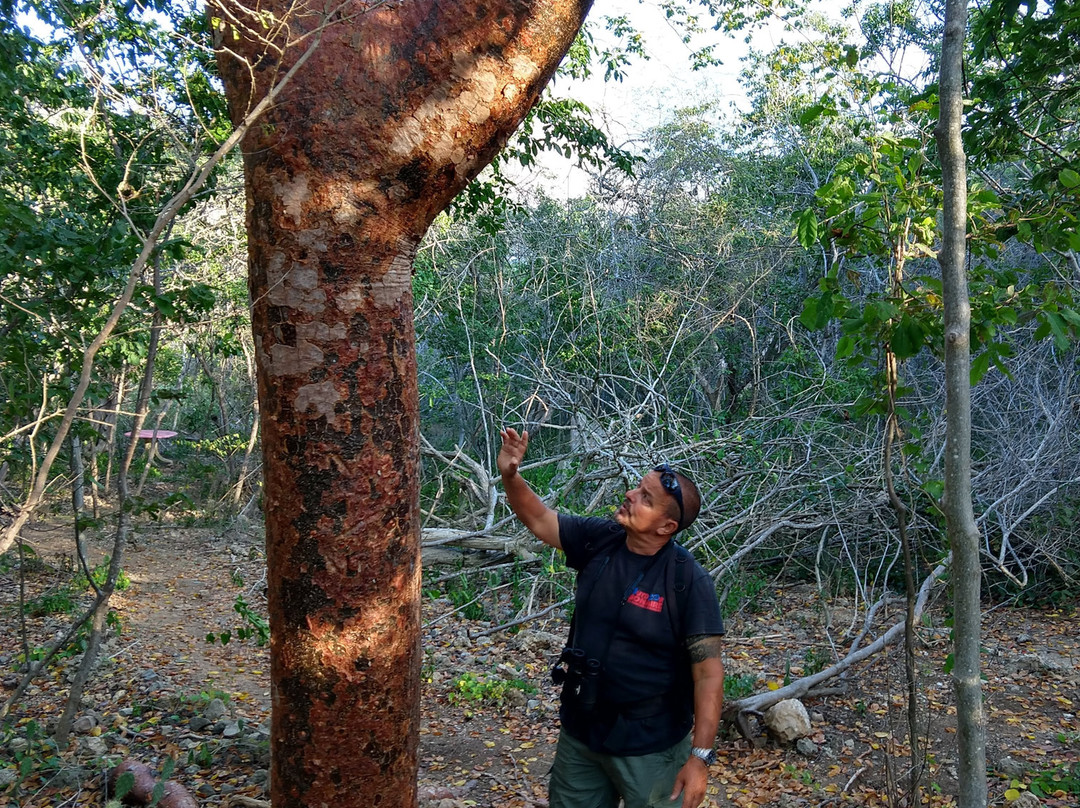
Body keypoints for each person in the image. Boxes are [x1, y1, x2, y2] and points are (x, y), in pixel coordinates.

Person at [497, 427, 725, 808]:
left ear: (667, 526)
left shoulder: (687, 580)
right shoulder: (600, 539)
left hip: (650, 746)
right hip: (582, 733)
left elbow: (708, 673)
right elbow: (539, 519)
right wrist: (510, 475)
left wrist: (699, 758)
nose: (630, 495)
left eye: (644, 498)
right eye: (637, 488)